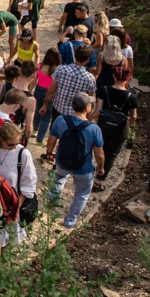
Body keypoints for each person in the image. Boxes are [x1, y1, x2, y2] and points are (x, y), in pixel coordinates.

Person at [45, 93, 106, 229]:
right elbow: (99, 153)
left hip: (62, 161)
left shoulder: (61, 120)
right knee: (82, 194)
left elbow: (51, 140)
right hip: (83, 168)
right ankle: (69, 222)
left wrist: (49, 153)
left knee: (59, 178)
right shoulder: (93, 128)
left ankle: (51, 206)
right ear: (88, 107)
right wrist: (101, 168)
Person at [0, 120, 37, 256]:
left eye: (17, 143)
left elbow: (29, 182)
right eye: (11, 144)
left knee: (7, 235)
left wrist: (15, 209)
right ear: (0, 139)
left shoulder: (22, 154)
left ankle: (2, 264)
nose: (15, 147)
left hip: (12, 204)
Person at [43, 44, 97, 145]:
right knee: (70, 136)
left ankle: (49, 153)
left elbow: (51, 90)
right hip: (76, 113)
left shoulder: (61, 69)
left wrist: (45, 104)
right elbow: (90, 98)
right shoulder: (90, 78)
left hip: (58, 108)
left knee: (54, 132)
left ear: (75, 56)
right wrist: (89, 111)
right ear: (87, 60)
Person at [34, 48, 62, 144]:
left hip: (38, 90)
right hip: (50, 93)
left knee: (37, 111)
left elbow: (34, 81)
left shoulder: (40, 66)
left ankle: (34, 130)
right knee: (46, 118)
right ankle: (39, 140)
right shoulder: (57, 70)